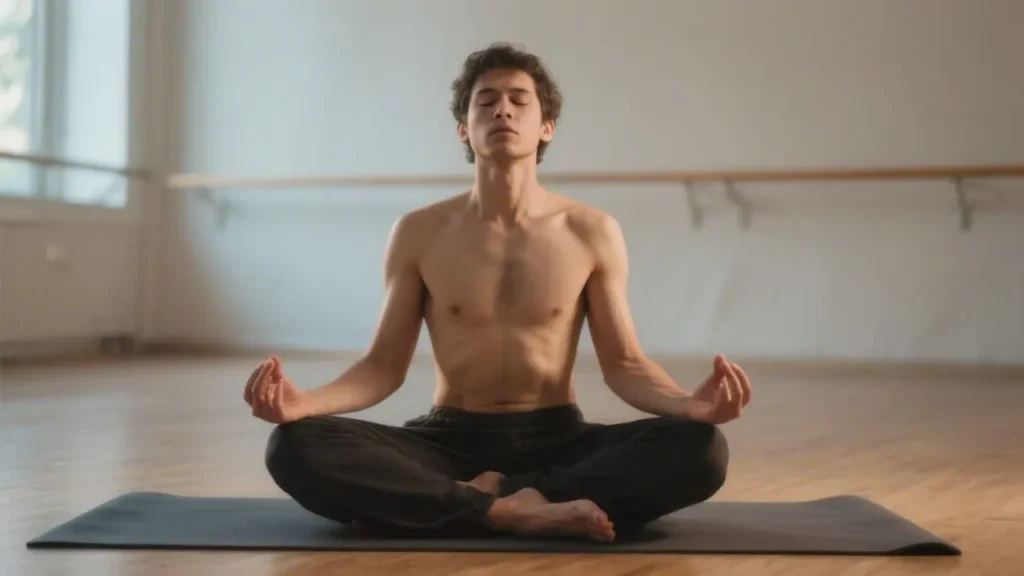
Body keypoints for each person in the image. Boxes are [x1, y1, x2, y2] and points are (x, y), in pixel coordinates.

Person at [244, 43, 752, 543]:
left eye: (518, 100)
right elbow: (382, 367)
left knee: (701, 448)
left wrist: (687, 405)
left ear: (546, 127)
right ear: (465, 129)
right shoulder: (420, 231)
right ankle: (513, 510)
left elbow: (626, 365)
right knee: (296, 445)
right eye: (485, 101)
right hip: (447, 438)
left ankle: (486, 498)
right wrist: (304, 403)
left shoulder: (590, 230)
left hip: (557, 437)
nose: (502, 109)